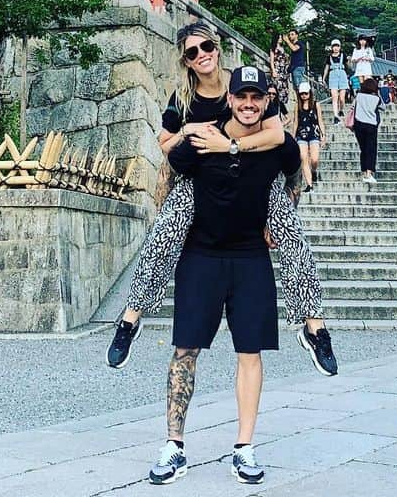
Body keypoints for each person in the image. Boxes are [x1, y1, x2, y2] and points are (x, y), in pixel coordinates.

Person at [106, 23, 335, 378]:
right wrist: (190, 130)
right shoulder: (183, 99)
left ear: (217, 47)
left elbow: (276, 134)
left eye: (207, 46)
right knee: (163, 236)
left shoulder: (243, 82)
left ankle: (314, 326)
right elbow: (165, 146)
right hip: (201, 178)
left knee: (292, 237)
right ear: (186, 60)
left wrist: (227, 144)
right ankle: (131, 318)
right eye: (193, 52)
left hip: (253, 171)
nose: (202, 55)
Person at [149, 66, 300, 485]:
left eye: (256, 97)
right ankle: (174, 445)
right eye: (241, 97)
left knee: (249, 352)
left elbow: (297, 171)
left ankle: (244, 447)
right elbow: (170, 167)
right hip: (201, 254)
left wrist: (282, 213)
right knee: (185, 349)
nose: (249, 104)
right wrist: (168, 223)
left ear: (266, 102)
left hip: (252, 255)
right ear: (230, 99)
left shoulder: (273, 144)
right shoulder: (201, 139)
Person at [294, 83, 325, 191]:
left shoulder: (316, 105)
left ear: (310, 93)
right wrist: (293, 136)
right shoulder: (297, 106)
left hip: (314, 133)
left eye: (305, 93)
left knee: (314, 159)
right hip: (301, 134)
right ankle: (309, 184)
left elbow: (320, 120)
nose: (303, 95)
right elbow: (296, 122)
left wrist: (323, 135)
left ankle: (314, 171)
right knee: (303, 158)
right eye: (301, 93)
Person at [352, 76, 382, 185]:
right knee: (371, 149)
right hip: (371, 125)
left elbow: (353, 107)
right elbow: (383, 107)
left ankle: (364, 172)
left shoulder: (358, 96)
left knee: (363, 149)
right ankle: (369, 173)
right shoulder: (376, 98)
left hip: (359, 124)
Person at [322, 40, 349, 120]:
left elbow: (348, 66)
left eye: (337, 46)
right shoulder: (329, 57)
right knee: (334, 97)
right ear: (332, 47)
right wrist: (324, 78)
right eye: (334, 46)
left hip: (342, 75)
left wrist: (350, 60)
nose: (336, 48)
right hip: (333, 75)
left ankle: (341, 110)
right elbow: (326, 68)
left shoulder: (343, 55)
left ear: (340, 47)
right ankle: (335, 115)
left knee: (342, 98)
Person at [269, 32, 292, 121]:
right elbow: (271, 61)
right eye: (279, 37)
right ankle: (276, 114)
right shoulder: (273, 48)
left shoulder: (283, 48)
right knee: (276, 92)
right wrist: (273, 70)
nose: (280, 39)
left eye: (281, 37)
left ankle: (281, 113)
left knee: (283, 93)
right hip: (277, 70)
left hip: (284, 73)